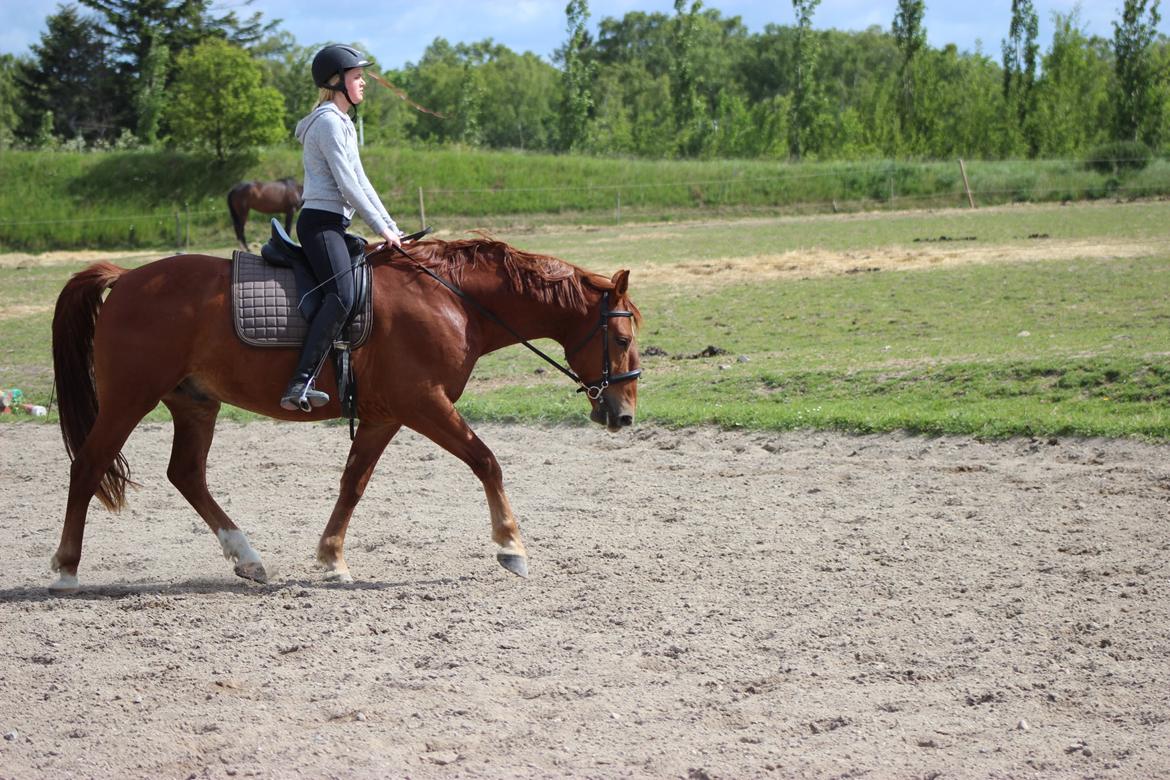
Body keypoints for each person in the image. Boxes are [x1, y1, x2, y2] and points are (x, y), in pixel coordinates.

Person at [281, 44, 406, 412]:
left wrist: (391, 227)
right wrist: (381, 229)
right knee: (342, 295)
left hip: (336, 223)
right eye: (357, 76)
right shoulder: (327, 123)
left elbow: (362, 181)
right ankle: (300, 381)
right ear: (336, 83)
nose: (364, 82)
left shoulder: (343, 122)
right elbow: (348, 186)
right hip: (320, 224)